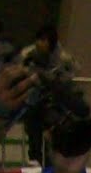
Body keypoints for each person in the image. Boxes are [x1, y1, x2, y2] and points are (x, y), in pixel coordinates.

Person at [18, 25, 79, 165]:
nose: (41, 43)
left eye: (45, 40)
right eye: (40, 39)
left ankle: (52, 161)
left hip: (54, 100)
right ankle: (35, 158)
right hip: (33, 99)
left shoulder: (62, 56)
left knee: (53, 134)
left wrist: (58, 79)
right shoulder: (28, 53)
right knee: (33, 131)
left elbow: (74, 71)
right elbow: (21, 70)